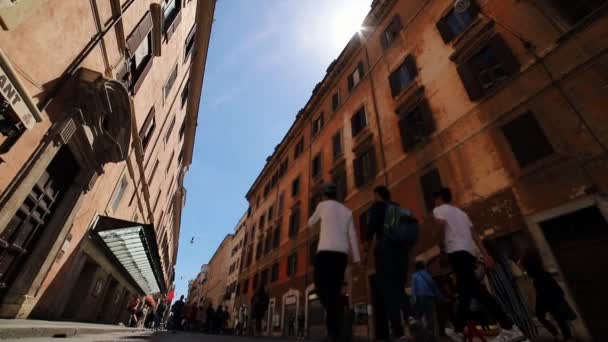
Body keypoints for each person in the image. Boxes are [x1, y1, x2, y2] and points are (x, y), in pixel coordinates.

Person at [432, 187, 525, 342]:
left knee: (475, 290)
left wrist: (440, 246)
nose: (434, 202)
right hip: (468, 253)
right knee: (465, 291)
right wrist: (485, 254)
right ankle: (459, 330)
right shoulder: (462, 214)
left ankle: (509, 327)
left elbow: (441, 226)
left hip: (456, 252)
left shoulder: (439, 210)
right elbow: (475, 235)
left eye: (435, 199)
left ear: (439, 198)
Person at [308, 183, 361, 342]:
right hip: (341, 255)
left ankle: (334, 330)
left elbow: (310, 222)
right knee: (335, 290)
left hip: (325, 253)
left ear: (324, 195)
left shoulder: (323, 205)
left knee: (320, 287)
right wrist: (357, 258)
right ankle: (335, 331)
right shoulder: (347, 211)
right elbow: (353, 236)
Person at [364, 186, 413, 340]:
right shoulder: (396, 208)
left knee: (389, 292)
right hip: (400, 253)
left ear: (377, 195)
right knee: (399, 288)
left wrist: (366, 253)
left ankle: (398, 333)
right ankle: (410, 316)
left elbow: (370, 231)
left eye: (374, 196)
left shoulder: (377, 207)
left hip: (385, 252)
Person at [521, 251, 574, 341]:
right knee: (558, 318)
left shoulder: (538, 276)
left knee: (557, 318)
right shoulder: (541, 273)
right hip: (550, 298)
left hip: (549, 298)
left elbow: (546, 289)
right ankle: (563, 336)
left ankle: (562, 335)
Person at [411, 261, 443, 339]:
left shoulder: (414, 275)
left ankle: (420, 335)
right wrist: (440, 296)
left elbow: (413, 289)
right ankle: (431, 335)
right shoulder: (427, 274)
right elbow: (433, 286)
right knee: (430, 316)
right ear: (424, 267)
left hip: (419, 297)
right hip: (429, 297)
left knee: (418, 317)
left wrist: (413, 299)